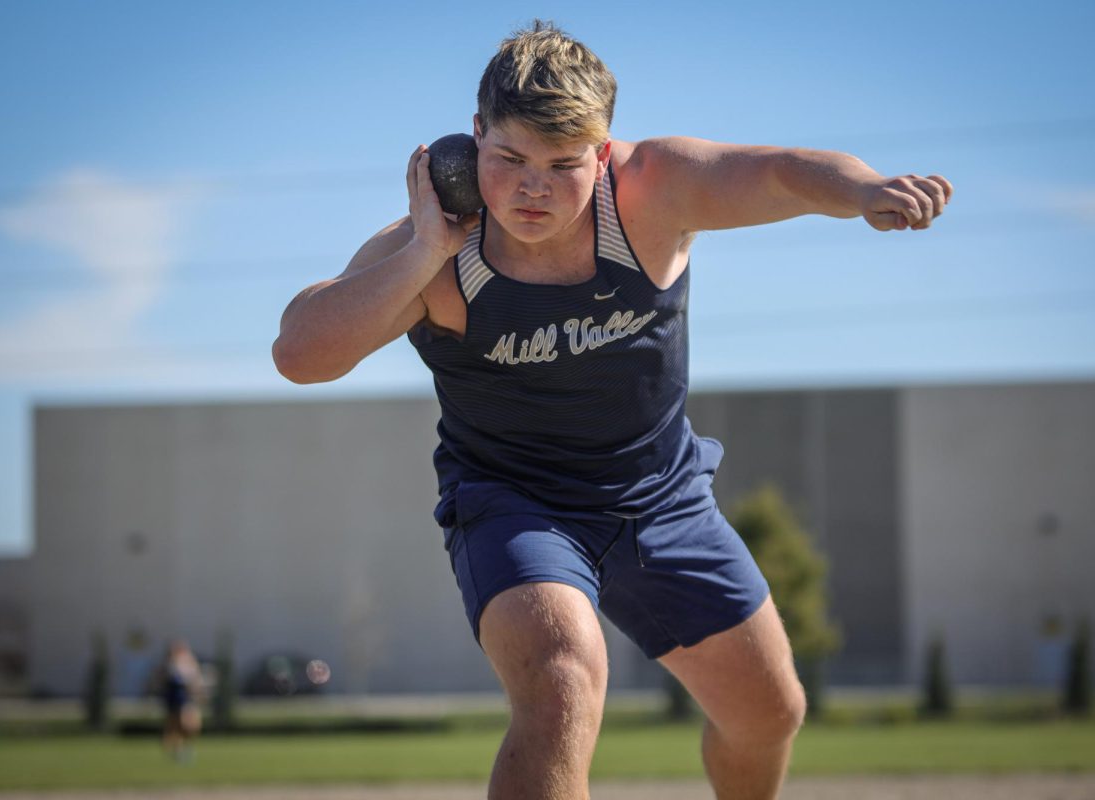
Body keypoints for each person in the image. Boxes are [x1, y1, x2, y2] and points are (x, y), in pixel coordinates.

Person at [272, 20, 951, 800]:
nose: (533, 188)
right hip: (516, 505)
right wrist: (426, 248)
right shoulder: (431, 253)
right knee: (564, 677)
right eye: (509, 160)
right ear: (470, 141)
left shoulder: (652, 193)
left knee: (770, 714)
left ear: (602, 153)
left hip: (664, 498)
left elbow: (782, 173)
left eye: (563, 165)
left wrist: (864, 190)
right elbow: (301, 354)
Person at [158, 639, 204, 763]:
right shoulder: (170, 664)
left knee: (191, 725)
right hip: (175, 697)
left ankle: (182, 748)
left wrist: (198, 693)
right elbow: (165, 679)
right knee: (175, 725)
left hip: (186, 698)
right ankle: (177, 750)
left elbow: (195, 680)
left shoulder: (189, 662)